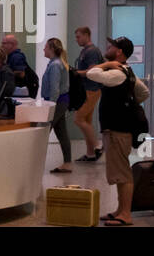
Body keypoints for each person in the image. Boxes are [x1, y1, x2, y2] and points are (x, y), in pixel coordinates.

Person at [85, 37, 143, 226]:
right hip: (118, 128)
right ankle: (120, 210)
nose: (107, 48)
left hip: (119, 129)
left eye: (111, 46)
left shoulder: (117, 73)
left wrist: (107, 64)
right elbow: (144, 93)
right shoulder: (127, 71)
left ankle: (125, 214)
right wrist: (129, 104)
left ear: (118, 52)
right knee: (119, 172)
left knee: (123, 173)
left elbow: (92, 74)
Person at [72, 26, 104, 161]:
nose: (76, 39)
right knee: (86, 121)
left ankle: (98, 145)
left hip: (91, 90)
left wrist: (75, 73)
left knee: (78, 119)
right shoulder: (85, 51)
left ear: (86, 35)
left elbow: (92, 71)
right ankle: (90, 153)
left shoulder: (92, 52)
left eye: (78, 36)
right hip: (86, 90)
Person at [42, 37, 73, 173]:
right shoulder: (58, 63)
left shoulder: (55, 65)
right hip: (61, 102)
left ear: (51, 49)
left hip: (56, 102)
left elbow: (54, 89)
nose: (43, 49)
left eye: (46, 47)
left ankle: (35, 162)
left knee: (43, 132)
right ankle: (67, 163)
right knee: (62, 133)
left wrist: (50, 106)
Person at [1, 33, 35, 97]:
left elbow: (21, 73)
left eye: (4, 43)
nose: (2, 46)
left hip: (20, 92)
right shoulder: (10, 56)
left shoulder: (17, 56)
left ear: (12, 44)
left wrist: (6, 75)